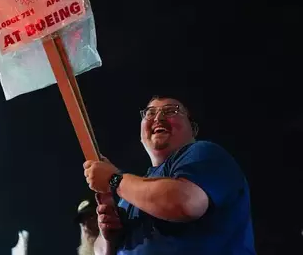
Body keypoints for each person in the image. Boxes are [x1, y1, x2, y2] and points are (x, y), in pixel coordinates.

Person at [82, 96, 256, 254]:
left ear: (193, 129)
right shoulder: (130, 194)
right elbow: (100, 251)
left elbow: (185, 202)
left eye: (171, 111)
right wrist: (109, 237)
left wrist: (114, 179)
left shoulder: (205, 153)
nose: (158, 118)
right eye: (150, 113)